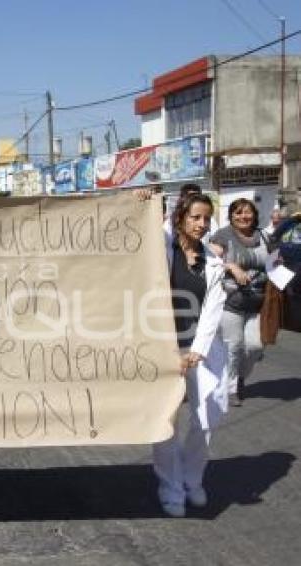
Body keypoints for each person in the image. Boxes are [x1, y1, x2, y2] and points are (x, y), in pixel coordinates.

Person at [151, 192, 228, 518]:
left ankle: (192, 478)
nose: (201, 224)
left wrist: (195, 352)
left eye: (207, 218)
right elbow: (141, 230)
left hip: (200, 350)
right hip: (163, 348)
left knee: (209, 416)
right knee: (166, 420)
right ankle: (169, 485)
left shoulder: (212, 261)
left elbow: (212, 310)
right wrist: (145, 200)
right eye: (195, 217)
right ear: (180, 217)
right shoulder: (160, 251)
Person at [209, 198, 269, 407]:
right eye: (238, 213)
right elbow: (209, 259)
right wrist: (231, 267)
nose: (244, 216)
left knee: (254, 346)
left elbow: (275, 260)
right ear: (231, 216)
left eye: (247, 212)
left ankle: (241, 376)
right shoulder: (223, 235)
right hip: (231, 302)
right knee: (233, 347)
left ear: (254, 215)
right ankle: (232, 388)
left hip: (258, 304)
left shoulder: (264, 236)